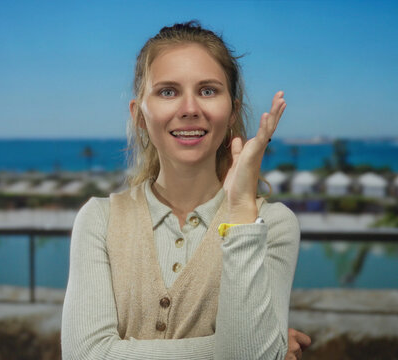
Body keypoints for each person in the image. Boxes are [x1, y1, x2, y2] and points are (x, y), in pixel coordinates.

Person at [61, 21, 310, 359]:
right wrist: (253, 345)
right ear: (139, 115)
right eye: (168, 92)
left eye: (208, 90)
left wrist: (240, 216)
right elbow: (85, 355)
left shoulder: (272, 225)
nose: (190, 109)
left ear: (233, 110)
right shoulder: (99, 221)